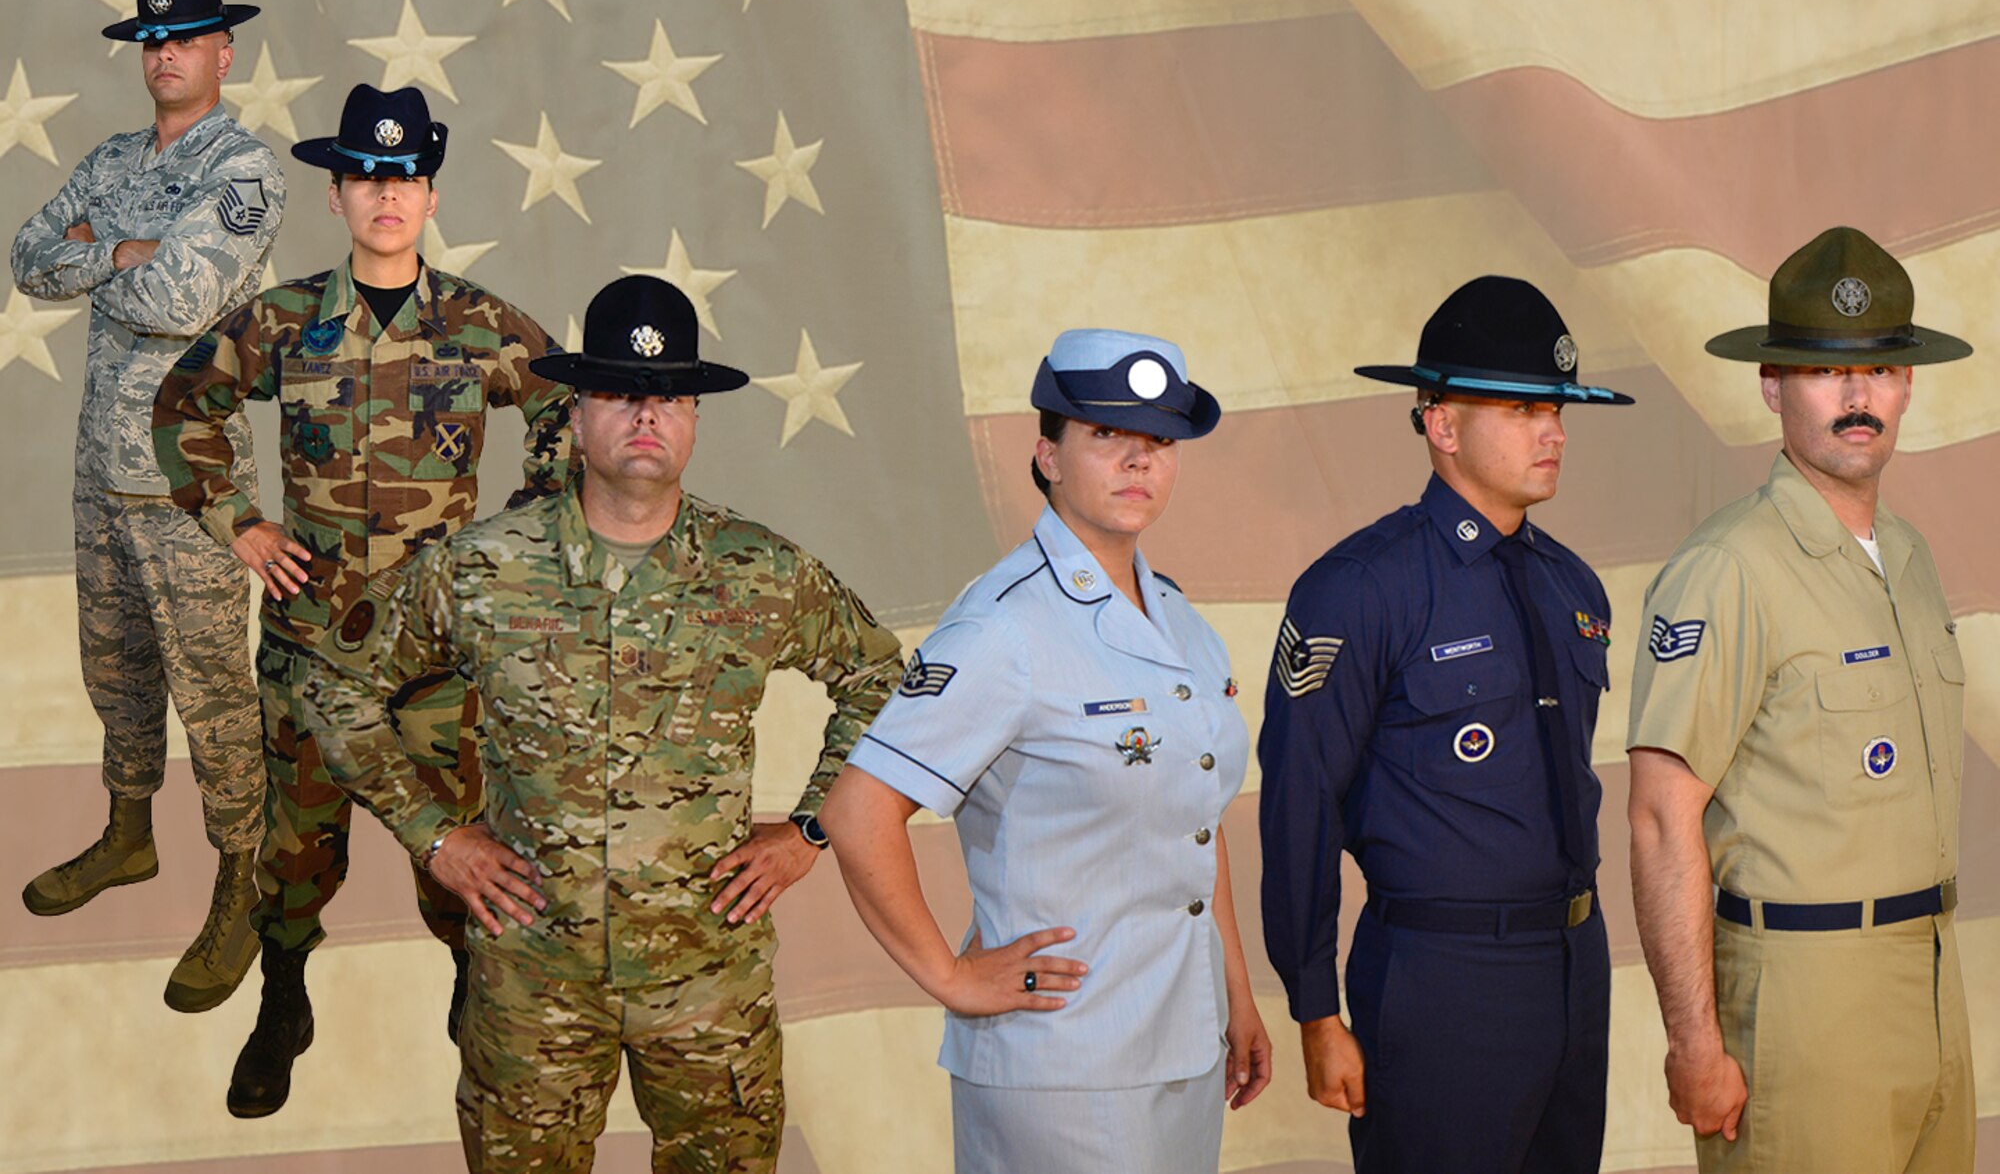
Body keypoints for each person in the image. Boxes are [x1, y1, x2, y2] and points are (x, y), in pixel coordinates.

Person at [298, 274, 902, 1171]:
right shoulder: (481, 570)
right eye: (618, 394)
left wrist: (814, 829)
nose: (645, 416)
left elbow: (886, 680)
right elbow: (336, 684)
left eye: (667, 398)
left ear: (695, 417)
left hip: (709, 986)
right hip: (531, 983)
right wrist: (435, 837)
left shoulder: (759, 572)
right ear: (576, 418)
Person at [150, 82, 576, 1117]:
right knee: (296, 845)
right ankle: (284, 1000)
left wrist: (523, 531)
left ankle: (476, 995)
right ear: (338, 193)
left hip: (438, 653)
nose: (389, 196)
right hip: (310, 645)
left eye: (409, 178)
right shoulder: (287, 320)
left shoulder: (478, 325)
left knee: (462, 842)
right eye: (368, 178)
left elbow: (570, 399)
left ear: (429, 195)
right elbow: (185, 401)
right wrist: (238, 521)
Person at [820, 329, 1271, 1173]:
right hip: (1063, 1061)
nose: (1139, 461)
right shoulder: (1005, 626)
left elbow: (1193, 826)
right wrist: (952, 980)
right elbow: (856, 813)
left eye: (1159, 443)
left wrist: (1237, 995)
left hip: (1183, 1040)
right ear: (1047, 456)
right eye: (1106, 436)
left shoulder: (1180, 622)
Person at [1258, 277, 1635, 1174]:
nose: (1553, 432)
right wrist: (1315, 1007)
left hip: (1576, 964)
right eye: (1518, 408)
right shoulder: (1360, 587)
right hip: (1441, 978)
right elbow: (1300, 805)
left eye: (1557, 409)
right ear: (1440, 424)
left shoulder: (1574, 586)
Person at [1626, 227, 1973, 1173]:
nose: (1857, 398)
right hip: (1802, 1000)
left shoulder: (1909, 561)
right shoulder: (1726, 571)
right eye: (1825, 373)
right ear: (1773, 384)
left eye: (1878, 370)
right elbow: (1662, 819)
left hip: (1934, 982)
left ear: (1906, 384)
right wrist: (1694, 1042)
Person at [9, 0, 281, 1013]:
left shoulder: (245, 170)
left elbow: (178, 296)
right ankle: (129, 835)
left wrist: (106, 248)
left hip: (191, 479)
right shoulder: (114, 155)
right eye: (152, 40)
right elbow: (28, 256)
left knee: (213, 688)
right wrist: (127, 245)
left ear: (224, 47)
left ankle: (241, 880)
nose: (167, 54)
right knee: (116, 667)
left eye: (187, 38)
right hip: (99, 466)